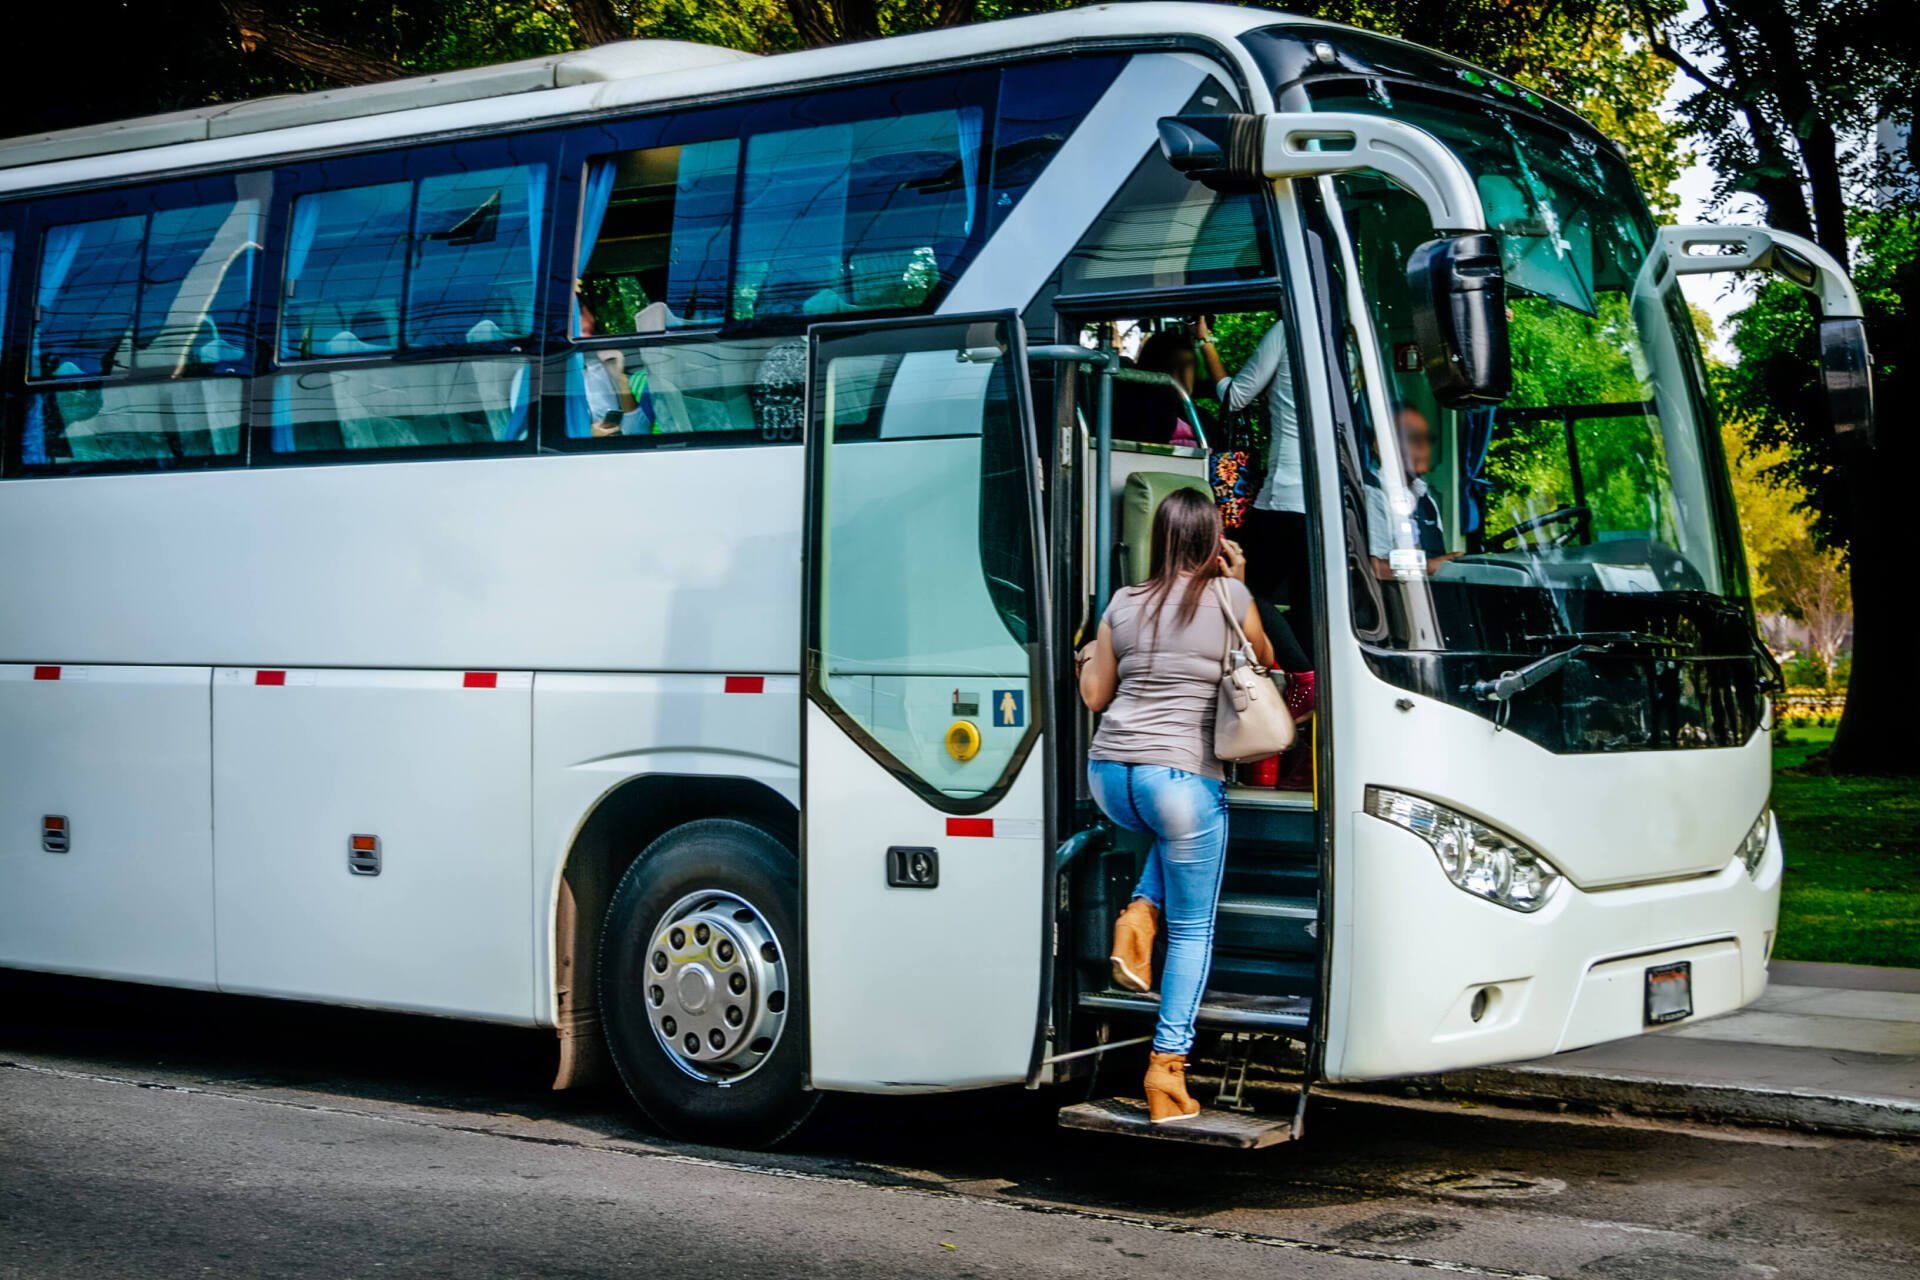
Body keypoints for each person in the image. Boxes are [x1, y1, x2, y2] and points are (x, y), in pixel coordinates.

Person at [1075, 488, 1279, 1124]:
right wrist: (1238, 581)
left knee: (1169, 836)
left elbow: (1094, 695)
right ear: (1214, 541)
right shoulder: (1231, 598)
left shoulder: (1123, 603)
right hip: (1181, 781)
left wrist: (1085, 654)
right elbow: (1266, 663)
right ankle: (1166, 1072)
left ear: (1160, 540)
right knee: (1192, 930)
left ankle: (1138, 912)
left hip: (1112, 777)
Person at [1195, 314, 1311, 638]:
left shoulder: (1290, 328)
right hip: (1324, 495)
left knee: (1243, 586)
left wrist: (1205, 341)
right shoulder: (1346, 338)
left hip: (1284, 493)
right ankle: (1307, 678)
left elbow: (1235, 397)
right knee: (1307, 599)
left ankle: (1299, 675)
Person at [1366, 406, 1453, 578]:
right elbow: (1373, 569)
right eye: (1413, 439)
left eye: (1428, 439)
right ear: (1379, 445)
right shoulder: (1372, 492)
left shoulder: (1426, 499)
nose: (1424, 447)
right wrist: (1429, 568)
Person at [577, 295, 638, 437]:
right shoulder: (534, 374)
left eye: (588, 313)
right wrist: (587, 435)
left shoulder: (603, 365)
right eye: (578, 313)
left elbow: (637, 431)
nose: (589, 320)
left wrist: (621, 379)